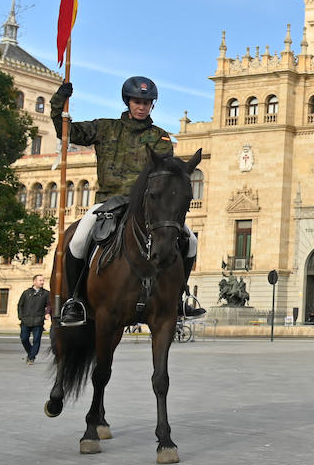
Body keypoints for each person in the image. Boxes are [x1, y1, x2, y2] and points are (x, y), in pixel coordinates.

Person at [50, 76, 204, 326]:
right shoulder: (105, 127)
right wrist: (60, 103)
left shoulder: (160, 137)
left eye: (147, 102)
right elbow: (66, 132)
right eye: (137, 101)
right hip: (108, 203)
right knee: (77, 240)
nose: (142, 107)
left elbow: (164, 173)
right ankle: (75, 300)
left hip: (146, 206)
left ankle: (179, 299)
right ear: (128, 102)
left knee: (191, 242)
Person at [17, 273, 50, 364]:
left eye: (43, 280)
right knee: (24, 338)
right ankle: (31, 353)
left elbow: (49, 305)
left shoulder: (46, 293)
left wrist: (47, 313)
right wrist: (21, 317)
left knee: (36, 340)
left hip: (38, 321)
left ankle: (31, 358)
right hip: (25, 320)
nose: (42, 282)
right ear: (34, 281)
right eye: (40, 280)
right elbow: (20, 305)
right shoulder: (26, 293)